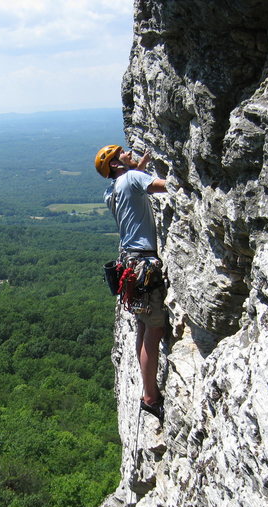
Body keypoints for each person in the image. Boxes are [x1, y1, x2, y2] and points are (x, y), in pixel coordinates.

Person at [95, 144, 167, 423]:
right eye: (122, 153)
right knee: (154, 327)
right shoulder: (134, 179)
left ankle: (148, 390)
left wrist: (136, 167)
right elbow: (164, 186)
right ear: (115, 164)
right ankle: (150, 397)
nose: (128, 152)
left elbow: (128, 183)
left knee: (142, 325)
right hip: (144, 262)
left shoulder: (111, 191)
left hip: (129, 262)